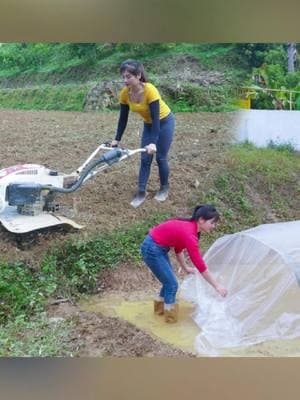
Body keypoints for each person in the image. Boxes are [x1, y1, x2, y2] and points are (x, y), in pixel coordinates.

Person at [140, 204, 228, 323]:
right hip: (152, 248)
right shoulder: (190, 234)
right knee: (172, 284)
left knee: (168, 282)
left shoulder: (191, 229)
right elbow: (200, 266)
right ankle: (170, 321)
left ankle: (159, 312)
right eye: (212, 223)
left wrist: (185, 267)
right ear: (201, 220)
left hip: (157, 248)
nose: (213, 226)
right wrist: (217, 286)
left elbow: (178, 249)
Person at [111, 59, 175, 208]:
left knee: (160, 157)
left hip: (164, 122)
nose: (125, 80)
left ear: (138, 75)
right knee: (145, 158)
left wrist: (153, 142)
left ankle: (164, 188)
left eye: (128, 76)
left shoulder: (150, 90)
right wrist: (116, 139)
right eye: (123, 77)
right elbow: (123, 119)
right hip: (148, 124)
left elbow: (156, 119)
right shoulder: (124, 94)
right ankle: (141, 191)